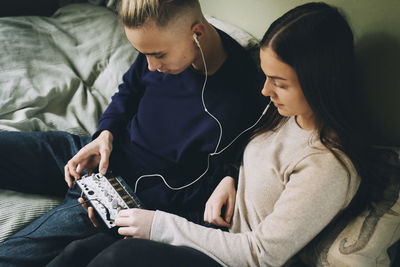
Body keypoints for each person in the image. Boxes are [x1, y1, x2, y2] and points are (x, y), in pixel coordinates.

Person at [53, 2, 387, 266]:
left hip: (228, 256)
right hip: (205, 226)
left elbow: (260, 255)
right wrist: (231, 179)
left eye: (279, 82)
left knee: (115, 258)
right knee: (78, 252)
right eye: (267, 76)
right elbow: (247, 155)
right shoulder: (286, 114)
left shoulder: (329, 166)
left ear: (321, 84)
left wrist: (158, 226)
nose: (265, 90)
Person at [0, 0, 265, 266]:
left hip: (123, 192)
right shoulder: (157, 45)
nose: (151, 66)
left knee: (13, 254)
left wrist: (117, 209)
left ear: (197, 33)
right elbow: (128, 91)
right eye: (143, 53)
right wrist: (105, 134)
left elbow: (217, 177)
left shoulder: (244, 95)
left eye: (158, 55)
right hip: (100, 151)